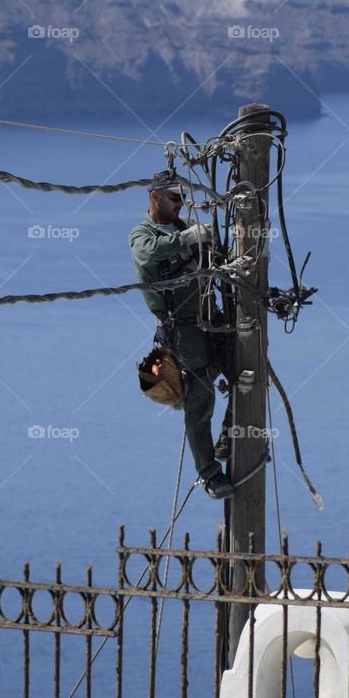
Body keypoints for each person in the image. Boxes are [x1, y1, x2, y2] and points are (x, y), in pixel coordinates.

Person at [129, 170, 234, 499]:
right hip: (181, 329)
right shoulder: (141, 234)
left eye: (183, 198)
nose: (181, 204)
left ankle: (229, 438)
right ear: (155, 197)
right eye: (175, 198)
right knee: (200, 400)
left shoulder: (184, 225)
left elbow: (214, 251)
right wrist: (189, 239)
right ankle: (210, 474)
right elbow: (149, 253)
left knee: (247, 372)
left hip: (211, 319)